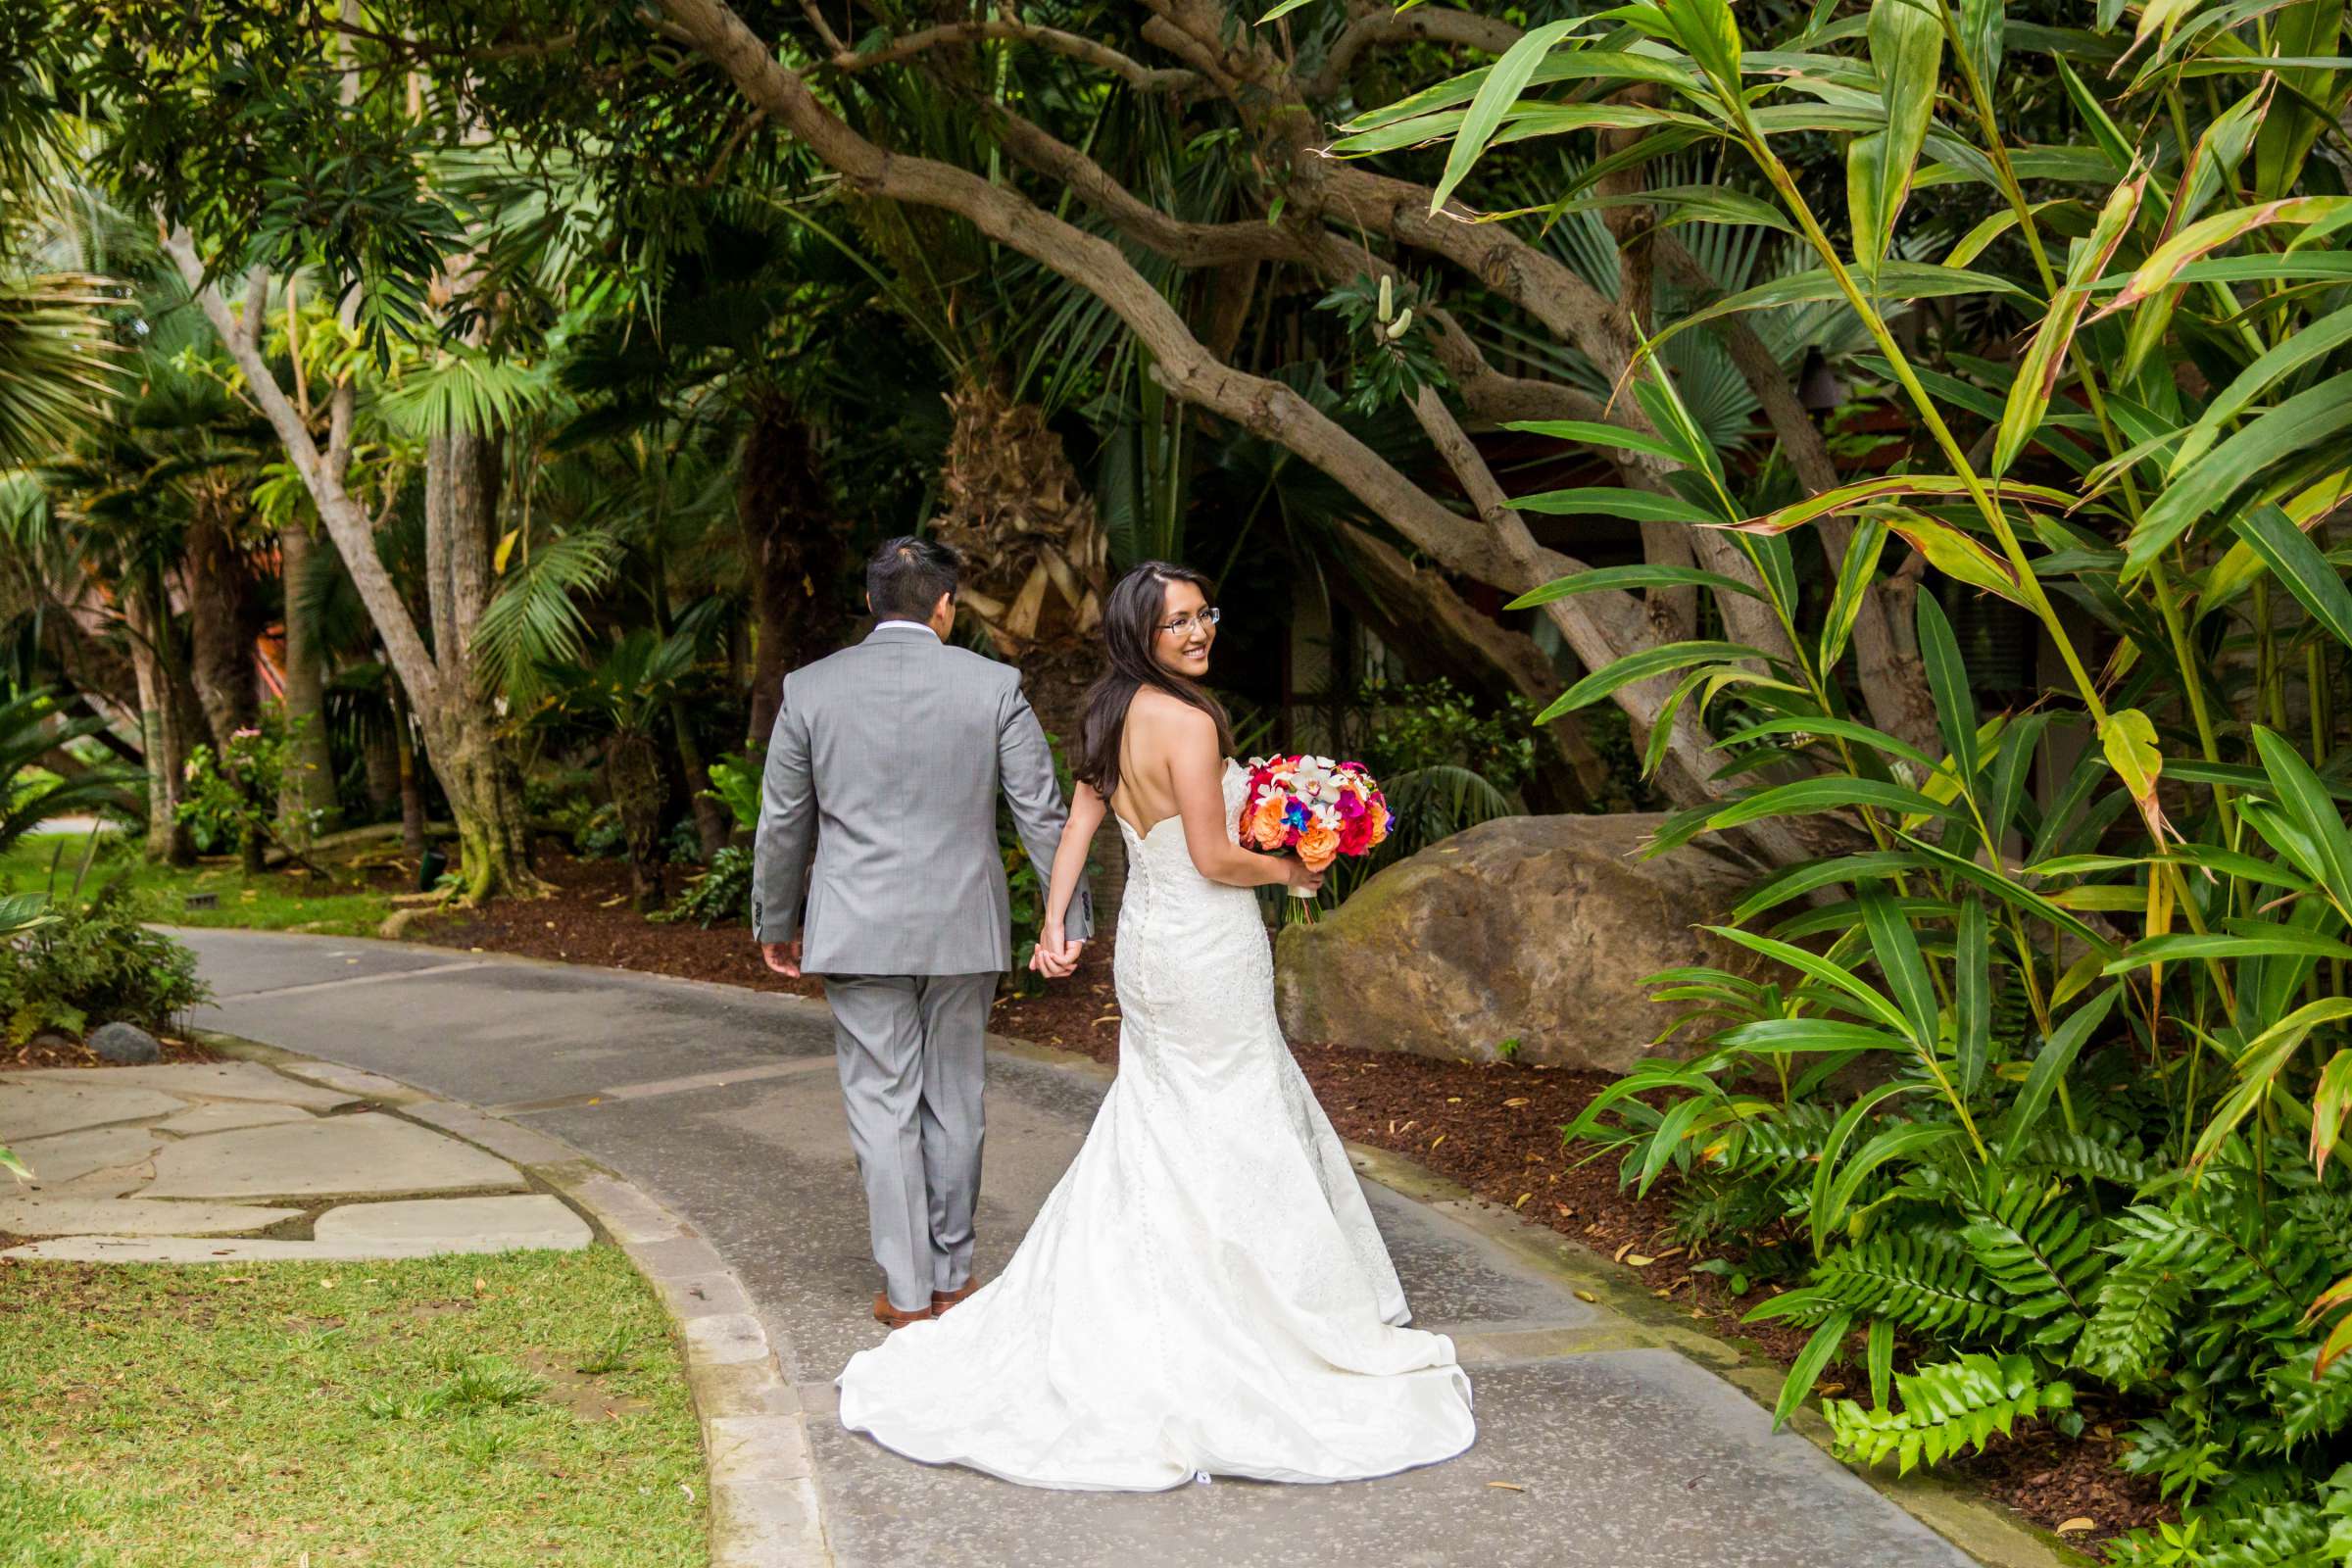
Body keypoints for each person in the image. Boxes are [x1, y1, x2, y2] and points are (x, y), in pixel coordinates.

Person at [835, 560, 1476, 1491]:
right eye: (1178, 620)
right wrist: (1294, 870)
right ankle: (1245, 1318)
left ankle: (1150, 1297)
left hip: (1148, 948)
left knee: (1163, 1116)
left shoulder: (1110, 714)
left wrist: (1056, 922)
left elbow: (1079, 828)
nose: (1198, 632)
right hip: (1206, 949)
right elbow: (1216, 857)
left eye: (1205, 615)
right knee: (1232, 1116)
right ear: (1142, 628)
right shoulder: (1188, 720)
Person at [752, 535, 1092, 1331]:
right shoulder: (995, 685)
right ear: (946, 606)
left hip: (857, 930)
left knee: (882, 1102)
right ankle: (951, 1277)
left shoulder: (810, 689)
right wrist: (1064, 920)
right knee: (956, 1100)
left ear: (870, 604)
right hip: (962, 929)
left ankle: (906, 1295)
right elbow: (1041, 814)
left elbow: (782, 822)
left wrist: (776, 919)